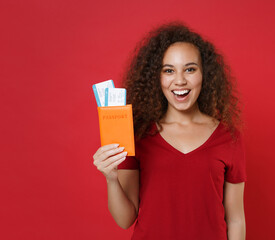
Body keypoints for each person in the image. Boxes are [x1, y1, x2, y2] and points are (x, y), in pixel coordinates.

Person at [93, 22, 247, 240]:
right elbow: (125, 219)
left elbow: (236, 219)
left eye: (190, 69)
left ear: (206, 75)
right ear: (157, 78)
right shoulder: (137, 135)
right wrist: (110, 178)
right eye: (169, 70)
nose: (180, 80)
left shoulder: (228, 137)